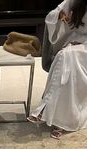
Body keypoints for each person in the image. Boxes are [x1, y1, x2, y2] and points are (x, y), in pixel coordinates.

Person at [28, 0, 87, 139]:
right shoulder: (75, 1)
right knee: (65, 57)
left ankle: (46, 109)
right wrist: (60, 15)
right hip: (75, 43)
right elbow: (52, 15)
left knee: (67, 56)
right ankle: (59, 120)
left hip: (84, 46)